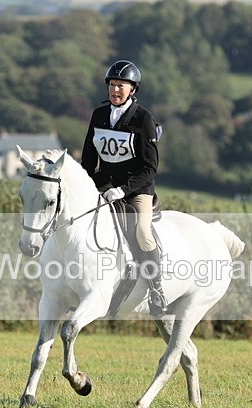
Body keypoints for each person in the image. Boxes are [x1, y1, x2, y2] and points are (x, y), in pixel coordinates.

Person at [81, 59, 168, 315]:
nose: (115, 90)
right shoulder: (99, 115)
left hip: (137, 190)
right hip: (104, 186)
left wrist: (122, 189)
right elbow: (88, 160)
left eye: (121, 86)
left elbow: (150, 167)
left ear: (133, 90)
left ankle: (156, 290)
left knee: (142, 232)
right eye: (112, 85)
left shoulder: (144, 119)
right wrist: (100, 185)